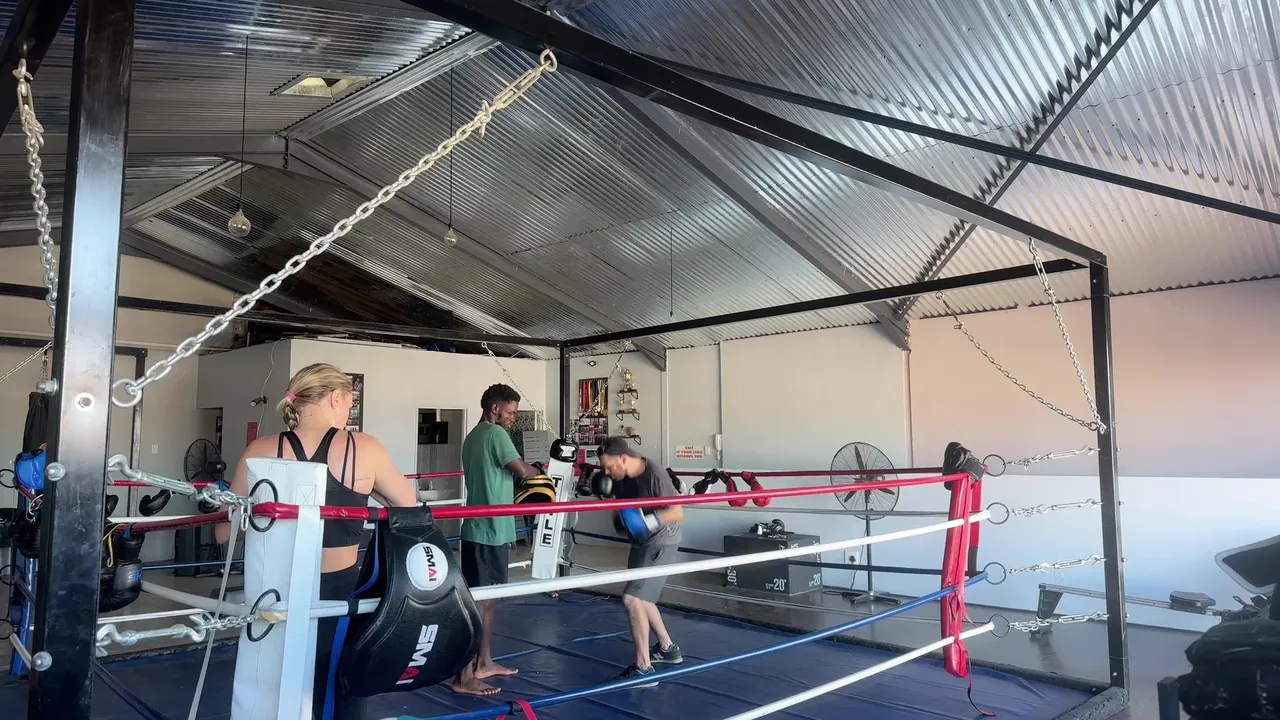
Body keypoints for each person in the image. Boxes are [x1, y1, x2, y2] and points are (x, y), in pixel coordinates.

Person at [216, 363, 418, 720]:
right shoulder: (362, 447)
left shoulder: (261, 449)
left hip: (274, 588)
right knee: (339, 687)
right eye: (349, 403)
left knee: (275, 685)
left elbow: (224, 532)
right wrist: (364, 490)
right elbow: (409, 505)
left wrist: (266, 511)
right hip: (337, 589)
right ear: (335, 397)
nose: (348, 412)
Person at [452, 383, 541, 696]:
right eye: (511, 411)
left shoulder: (473, 436)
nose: (513, 417)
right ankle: (464, 675)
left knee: (488, 600)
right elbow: (521, 471)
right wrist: (542, 470)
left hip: (482, 529)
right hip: (489, 530)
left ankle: (484, 662)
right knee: (481, 603)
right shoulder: (495, 434)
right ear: (495, 408)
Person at [597, 436, 685, 687]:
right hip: (641, 541)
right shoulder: (620, 476)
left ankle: (644, 668)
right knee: (643, 598)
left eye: (609, 466)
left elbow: (677, 511)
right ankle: (668, 648)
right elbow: (624, 506)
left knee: (632, 599)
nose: (606, 472)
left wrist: (647, 522)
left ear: (624, 459)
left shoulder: (654, 475)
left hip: (660, 541)